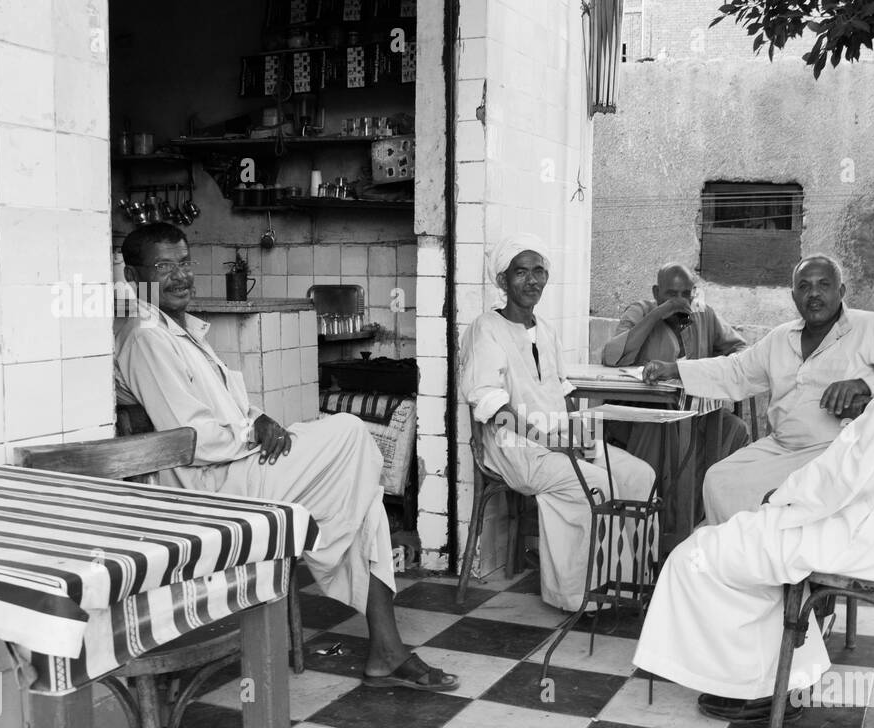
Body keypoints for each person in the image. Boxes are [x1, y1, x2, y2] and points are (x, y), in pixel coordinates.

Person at [633, 232, 874, 722]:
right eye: (804, 285)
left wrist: (787, 499)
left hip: (869, 536)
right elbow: (737, 374)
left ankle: (758, 683)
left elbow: (857, 467)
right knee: (732, 506)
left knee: (696, 557)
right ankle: (784, 669)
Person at [113, 223, 458, 692]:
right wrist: (253, 429)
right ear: (135, 276)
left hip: (234, 467)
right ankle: (378, 635)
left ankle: (386, 653)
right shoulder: (146, 337)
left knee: (367, 503)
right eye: (163, 266)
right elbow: (192, 437)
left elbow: (229, 411)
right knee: (351, 431)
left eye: (185, 262)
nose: (180, 275)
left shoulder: (182, 330)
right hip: (207, 487)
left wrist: (256, 419)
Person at [458, 233, 657, 612]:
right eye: (521, 272)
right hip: (513, 447)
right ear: (502, 281)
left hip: (559, 438)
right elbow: (488, 403)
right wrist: (547, 439)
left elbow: (562, 392)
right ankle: (582, 595)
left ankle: (630, 583)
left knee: (639, 475)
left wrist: (582, 431)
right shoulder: (486, 329)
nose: (532, 281)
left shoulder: (545, 329)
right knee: (596, 484)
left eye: (539, 272)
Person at [643, 256, 874, 524]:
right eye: (804, 286)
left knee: (778, 499)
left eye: (823, 285)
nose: (813, 294)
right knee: (719, 479)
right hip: (780, 446)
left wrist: (864, 385)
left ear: (841, 291)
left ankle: (773, 561)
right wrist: (676, 370)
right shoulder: (781, 337)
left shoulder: (873, 328)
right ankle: (741, 561)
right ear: (793, 296)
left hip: (835, 450)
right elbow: (737, 370)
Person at [600, 263, 751, 536]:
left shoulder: (704, 315)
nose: (681, 301)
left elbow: (742, 351)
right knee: (666, 433)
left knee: (735, 429)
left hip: (695, 411)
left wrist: (711, 370)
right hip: (643, 411)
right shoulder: (641, 311)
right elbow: (612, 357)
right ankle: (654, 531)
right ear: (656, 292)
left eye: (686, 294)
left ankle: (703, 521)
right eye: (672, 295)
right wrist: (660, 313)